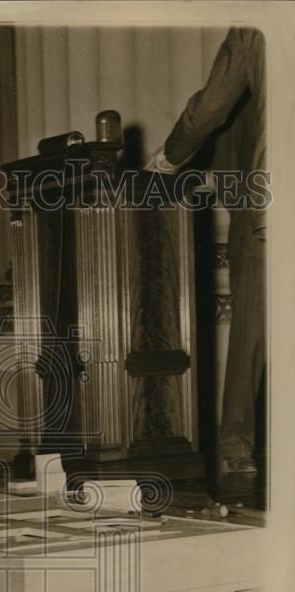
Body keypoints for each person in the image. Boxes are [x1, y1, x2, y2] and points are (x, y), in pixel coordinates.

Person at [146, 27, 265, 475]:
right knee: (254, 328)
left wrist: (170, 159)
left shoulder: (254, 30)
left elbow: (211, 108)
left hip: (264, 207)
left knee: (254, 329)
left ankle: (237, 448)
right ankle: (236, 446)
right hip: (262, 199)